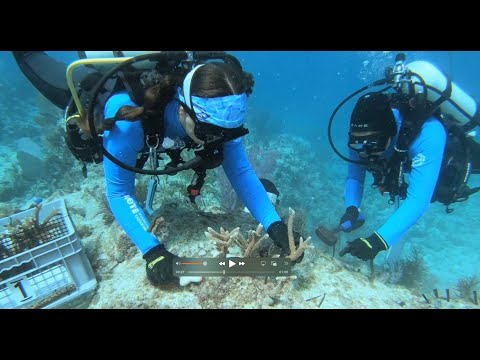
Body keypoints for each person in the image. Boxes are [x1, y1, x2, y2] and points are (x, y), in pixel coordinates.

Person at [13, 51, 303, 287]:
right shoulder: (128, 121)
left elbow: (240, 173)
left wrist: (274, 223)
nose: (218, 142)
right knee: (29, 60)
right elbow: (119, 192)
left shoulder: (222, 124)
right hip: (90, 91)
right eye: (207, 131)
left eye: (227, 135)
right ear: (181, 108)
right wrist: (151, 250)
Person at [337, 86, 480, 263]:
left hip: (446, 155)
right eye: (358, 143)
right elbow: (355, 177)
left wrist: (377, 241)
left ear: (390, 132)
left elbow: (418, 201)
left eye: (372, 144)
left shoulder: (428, 134)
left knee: (444, 188)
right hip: (404, 158)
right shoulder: (361, 141)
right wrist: (352, 208)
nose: (365, 152)